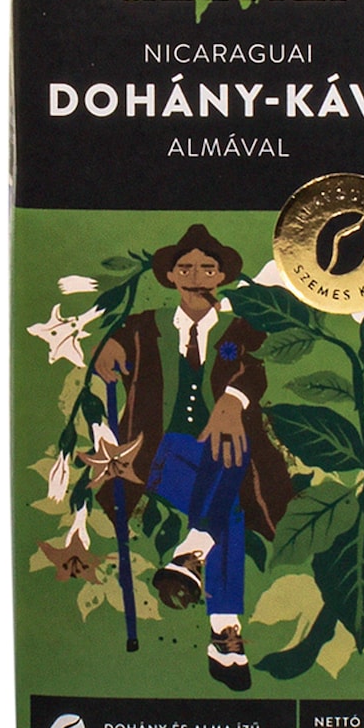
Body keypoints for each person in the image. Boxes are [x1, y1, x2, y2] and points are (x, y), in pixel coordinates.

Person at [93, 224, 295, 690]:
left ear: (221, 276)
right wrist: (110, 347)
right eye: (185, 268)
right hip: (154, 454)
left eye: (207, 268)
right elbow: (118, 339)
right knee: (230, 497)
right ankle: (211, 592)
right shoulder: (147, 326)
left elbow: (251, 369)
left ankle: (213, 606)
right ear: (170, 276)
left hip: (218, 451)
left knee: (230, 462)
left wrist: (232, 402)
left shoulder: (236, 327)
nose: (196, 276)